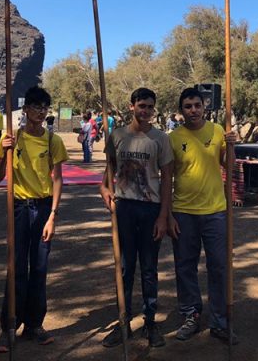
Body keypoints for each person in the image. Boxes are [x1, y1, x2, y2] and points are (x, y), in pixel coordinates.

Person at [0, 86, 67, 353]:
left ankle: (34, 324)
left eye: (45, 107)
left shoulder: (52, 141)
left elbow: (57, 179)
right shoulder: (12, 138)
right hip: (20, 208)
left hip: (44, 208)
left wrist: (53, 216)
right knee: (16, 268)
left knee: (40, 267)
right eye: (36, 106)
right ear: (25, 110)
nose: (40, 111)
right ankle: (8, 326)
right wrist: (5, 151)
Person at [99, 88, 173, 349]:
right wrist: (104, 188)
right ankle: (123, 323)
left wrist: (163, 216)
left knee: (149, 268)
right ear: (131, 106)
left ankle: (150, 323)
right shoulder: (117, 135)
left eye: (150, 107)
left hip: (150, 208)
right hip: (125, 208)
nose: (146, 111)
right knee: (125, 267)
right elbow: (109, 170)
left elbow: (166, 180)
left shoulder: (161, 139)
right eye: (141, 105)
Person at [168, 87, 238, 344]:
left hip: (215, 212)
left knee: (219, 266)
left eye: (197, 105)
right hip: (183, 212)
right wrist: (168, 214)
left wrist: (231, 147)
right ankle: (191, 315)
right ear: (181, 110)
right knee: (185, 267)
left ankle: (219, 320)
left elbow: (229, 166)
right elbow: (167, 178)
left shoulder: (219, 131)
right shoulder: (173, 138)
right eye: (188, 106)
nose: (193, 110)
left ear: (204, 106)